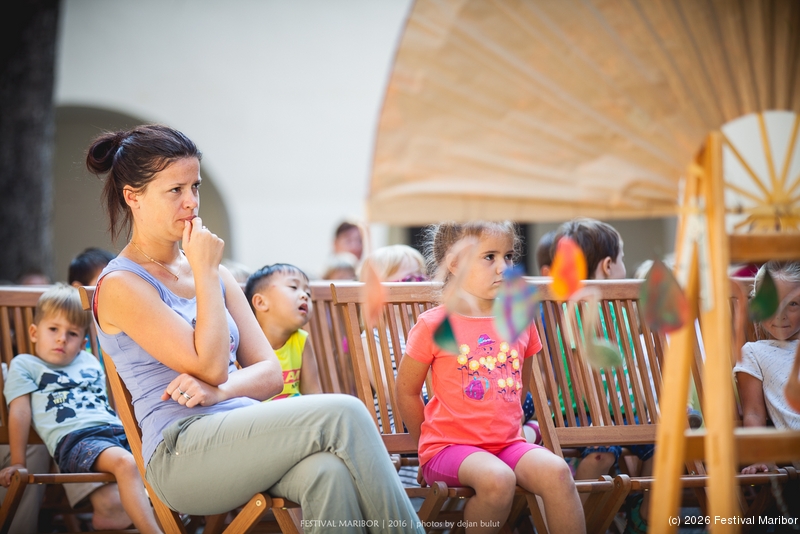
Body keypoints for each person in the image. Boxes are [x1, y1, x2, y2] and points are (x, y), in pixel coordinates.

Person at [85, 124, 421, 533]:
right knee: (346, 412)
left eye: (195, 186)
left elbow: (270, 373)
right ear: (133, 197)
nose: (191, 202)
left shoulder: (215, 272)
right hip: (181, 453)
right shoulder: (122, 285)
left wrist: (222, 392)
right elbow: (210, 366)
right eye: (175, 190)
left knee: (327, 472)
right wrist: (205, 272)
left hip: (243, 431)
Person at [396, 221, 585, 534]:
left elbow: (520, 385)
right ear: (454, 264)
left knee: (558, 473)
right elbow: (407, 391)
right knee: (498, 479)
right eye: (489, 257)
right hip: (448, 449)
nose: (503, 267)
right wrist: (423, 447)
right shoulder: (434, 324)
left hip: (507, 445)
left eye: (508, 256)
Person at [0, 284, 161, 533]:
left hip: (115, 432)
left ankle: (165, 517)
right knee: (126, 463)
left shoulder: (89, 361)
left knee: (162, 456)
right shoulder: (25, 365)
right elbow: (20, 412)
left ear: (83, 342)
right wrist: (18, 461)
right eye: (53, 329)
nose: (62, 338)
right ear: (34, 332)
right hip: (76, 439)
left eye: (72, 333)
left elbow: (105, 403)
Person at [734, 261, 800, 474]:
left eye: (792, 304)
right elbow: (753, 413)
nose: (780, 314)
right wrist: (760, 456)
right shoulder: (754, 353)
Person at [244, 263, 322, 399]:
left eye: (308, 293)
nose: (304, 295)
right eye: (293, 287)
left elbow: (313, 394)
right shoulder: (244, 345)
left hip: (297, 411)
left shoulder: (301, 340)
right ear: (261, 302)